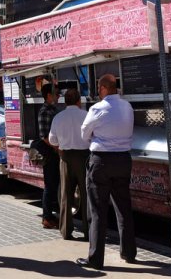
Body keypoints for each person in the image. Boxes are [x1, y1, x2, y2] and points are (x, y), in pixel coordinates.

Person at [76, 74, 136, 270]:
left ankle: (95, 258)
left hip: (101, 161)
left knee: (98, 210)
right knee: (123, 208)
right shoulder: (127, 107)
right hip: (123, 160)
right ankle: (128, 252)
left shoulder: (97, 108)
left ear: (103, 88)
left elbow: (84, 134)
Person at [48, 88, 90, 240]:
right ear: (79, 101)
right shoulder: (86, 115)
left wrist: (60, 149)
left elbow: (52, 140)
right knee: (86, 194)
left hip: (65, 157)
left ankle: (66, 230)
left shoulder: (58, 117)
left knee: (66, 193)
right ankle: (88, 230)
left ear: (65, 102)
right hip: (84, 156)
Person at [38, 83, 60, 229]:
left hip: (54, 152)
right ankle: (47, 217)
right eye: (56, 93)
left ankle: (51, 215)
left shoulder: (53, 110)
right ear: (48, 96)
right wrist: (57, 148)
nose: (58, 96)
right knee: (50, 185)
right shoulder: (46, 111)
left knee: (54, 185)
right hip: (50, 154)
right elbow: (44, 136)